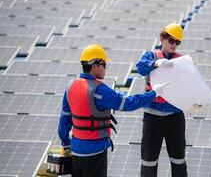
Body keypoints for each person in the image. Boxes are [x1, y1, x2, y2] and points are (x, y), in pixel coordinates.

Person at [58, 44, 168, 177]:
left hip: (76, 151)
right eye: (104, 64)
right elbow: (127, 103)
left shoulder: (71, 87)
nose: (106, 68)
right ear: (94, 65)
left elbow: (64, 120)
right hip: (95, 152)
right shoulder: (99, 90)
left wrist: (65, 143)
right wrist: (153, 93)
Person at [136, 23, 188, 177]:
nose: (174, 45)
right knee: (149, 160)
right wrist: (156, 63)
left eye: (177, 42)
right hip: (153, 117)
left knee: (178, 159)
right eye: (171, 41)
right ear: (162, 38)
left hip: (175, 117)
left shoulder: (182, 61)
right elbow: (140, 67)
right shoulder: (150, 56)